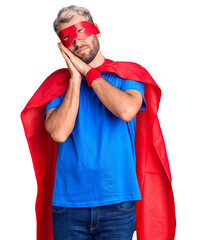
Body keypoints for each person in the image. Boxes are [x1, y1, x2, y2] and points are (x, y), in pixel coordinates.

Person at [21, 5, 176, 240]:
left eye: (81, 30)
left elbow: (125, 110)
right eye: (68, 37)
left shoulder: (127, 75)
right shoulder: (57, 86)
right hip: (68, 206)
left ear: (96, 31)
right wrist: (75, 77)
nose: (77, 40)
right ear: (62, 46)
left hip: (118, 203)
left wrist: (89, 72)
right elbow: (59, 133)